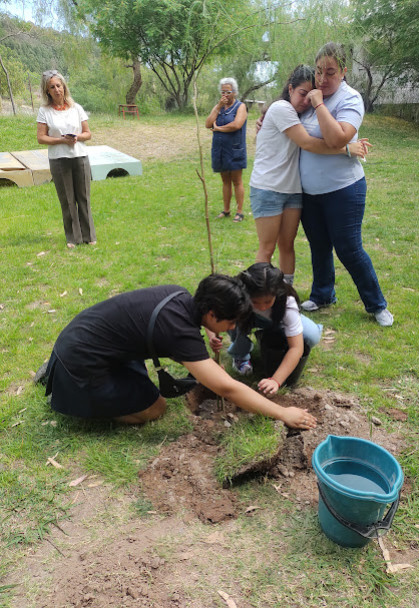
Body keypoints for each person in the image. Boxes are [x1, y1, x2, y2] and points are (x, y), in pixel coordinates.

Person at [37, 274, 317, 430]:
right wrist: (283, 413)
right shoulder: (179, 333)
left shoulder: (180, 295)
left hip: (88, 338)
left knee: (146, 390)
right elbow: (227, 388)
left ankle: (60, 368)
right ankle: (74, 389)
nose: (233, 327)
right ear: (211, 313)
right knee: (155, 408)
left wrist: (208, 344)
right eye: (230, 321)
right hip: (85, 359)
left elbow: (189, 338)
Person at [299, 43, 393, 326]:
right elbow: (295, 131)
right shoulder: (309, 94)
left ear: (343, 72)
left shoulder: (349, 99)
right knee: (318, 246)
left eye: (330, 72)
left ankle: (377, 304)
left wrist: (318, 104)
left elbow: (337, 138)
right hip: (310, 191)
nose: (322, 79)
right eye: (318, 72)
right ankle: (323, 294)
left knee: (349, 248)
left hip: (344, 189)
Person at [250, 65, 370, 286]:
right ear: (290, 88)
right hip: (268, 188)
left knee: (287, 246)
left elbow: (327, 130)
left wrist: (347, 139)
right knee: (267, 248)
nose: (306, 101)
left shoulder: (302, 114)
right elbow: (307, 142)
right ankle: (257, 298)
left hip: (293, 190)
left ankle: (286, 297)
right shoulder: (281, 108)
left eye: (311, 96)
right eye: (302, 94)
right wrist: (347, 149)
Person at [206, 263, 322, 396]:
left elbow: (296, 348)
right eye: (255, 302)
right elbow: (208, 311)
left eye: (267, 302)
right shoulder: (236, 293)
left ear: (276, 294)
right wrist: (212, 336)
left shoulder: (286, 302)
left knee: (311, 336)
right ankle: (241, 356)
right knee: (234, 323)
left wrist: (275, 380)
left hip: (276, 320)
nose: (261, 307)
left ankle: (271, 335)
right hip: (246, 318)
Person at [37, 69, 96, 249]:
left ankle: (89, 236)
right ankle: (73, 238)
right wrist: (61, 140)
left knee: (83, 198)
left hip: (80, 157)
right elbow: (41, 138)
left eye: (59, 85)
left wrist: (77, 137)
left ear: (64, 87)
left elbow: (88, 133)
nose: (57, 90)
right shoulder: (44, 111)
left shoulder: (76, 108)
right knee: (67, 200)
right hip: (58, 159)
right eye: (52, 87)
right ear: (47, 91)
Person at [205, 77, 247, 223]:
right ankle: (226, 210)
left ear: (234, 92)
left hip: (235, 149)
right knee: (225, 180)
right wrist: (217, 107)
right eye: (223, 92)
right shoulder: (219, 107)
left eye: (228, 92)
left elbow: (236, 125)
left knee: (237, 180)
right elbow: (208, 123)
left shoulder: (240, 107)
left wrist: (218, 129)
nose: (225, 95)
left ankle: (240, 212)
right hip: (220, 149)